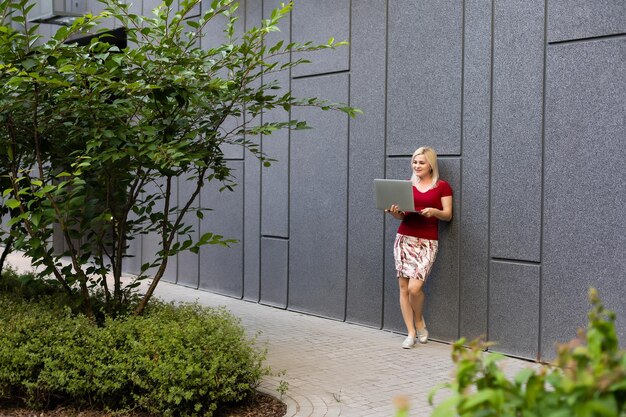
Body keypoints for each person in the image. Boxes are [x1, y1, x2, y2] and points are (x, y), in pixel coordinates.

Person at [386, 147, 453, 349]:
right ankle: (411, 332)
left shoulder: (442, 187)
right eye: (414, 162)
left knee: (415, 289)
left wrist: (435, 212)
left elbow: (448, 214)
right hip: (404, 239)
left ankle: (420, 320)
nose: (417, 166)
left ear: (431, 165)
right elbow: (402, 216)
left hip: (427, 242)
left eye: (421, 162)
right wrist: (394, 213)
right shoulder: (407, 185)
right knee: (404, 288)